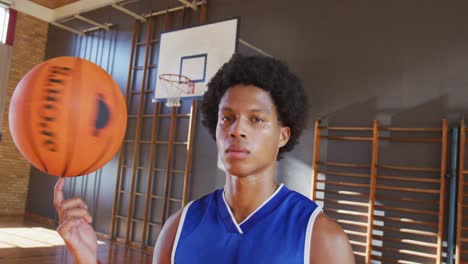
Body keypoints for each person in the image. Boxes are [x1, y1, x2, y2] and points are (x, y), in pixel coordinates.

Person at [54, 54, 355, 264]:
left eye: (257, 119)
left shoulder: (321, 239)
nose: (237, 130)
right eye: (228, 118)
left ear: (283, 136)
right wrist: (86, 257)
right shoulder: (178, 228)